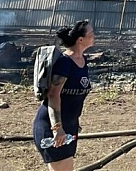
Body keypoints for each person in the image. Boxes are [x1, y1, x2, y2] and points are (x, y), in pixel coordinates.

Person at [33, 20, 94, 171]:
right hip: (53, 127)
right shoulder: (64, 63)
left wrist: (73, 121)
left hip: (69, 126)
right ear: (81, 40)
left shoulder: (82, 61)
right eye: (91, 34)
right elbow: (53, 95)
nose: (94, 36)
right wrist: (57, 128)